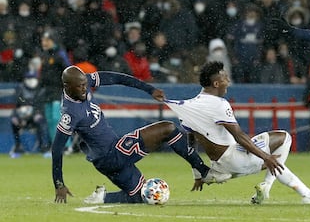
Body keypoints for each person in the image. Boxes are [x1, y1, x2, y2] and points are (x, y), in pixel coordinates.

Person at [165, 61, 310, 204]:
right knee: (284, 138)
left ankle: (221, 175)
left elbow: (191, 139)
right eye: (225, 78)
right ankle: (301, 194)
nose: (228, 82)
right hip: (235, 158)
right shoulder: (219, 104)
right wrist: (265, 156)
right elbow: (239, 136)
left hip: (220, 163)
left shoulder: (191, 106)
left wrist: (197, 172)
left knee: (270, 158)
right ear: (216, 84)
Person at [52, 66, 226, 204]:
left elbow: (118, 78)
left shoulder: (83, 81)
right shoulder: (70, 113)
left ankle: (102, 197)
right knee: (168, 128)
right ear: (67, 87)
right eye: (80, 87)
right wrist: (59, 183)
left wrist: (148, 89)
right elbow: (57, 149)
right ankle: (202, 170)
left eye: (85, 85)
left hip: (105, 160)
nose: (85, 88)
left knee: (139, 196)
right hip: (113, 154)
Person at [9, 72, 51, 158]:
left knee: (41, 121)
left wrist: (35, 113)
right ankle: (18, 147)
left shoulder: (40, 90)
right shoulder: (20, 89)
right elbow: (17, 104)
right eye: (29, 79)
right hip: (22, 115)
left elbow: (40, 106)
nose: (32, 81)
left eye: (34, 79)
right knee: (13, 122)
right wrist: (15, 116)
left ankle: (44, 148)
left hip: (35, 116)